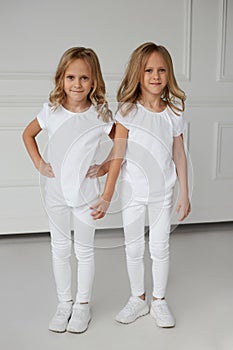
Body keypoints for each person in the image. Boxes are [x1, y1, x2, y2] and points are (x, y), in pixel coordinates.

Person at [22, 47, 124, 334]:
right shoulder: (51, 111)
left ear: (94, 82)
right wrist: (40, 163)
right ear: (61, 78)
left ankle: (82, 305)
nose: (76, 84)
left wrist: (104, 167)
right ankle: (64, 303)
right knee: (60, 249)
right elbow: (27, 134)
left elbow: (122, 142)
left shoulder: (100, 115)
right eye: (70, 77)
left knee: (84, 250)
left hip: (86, 196)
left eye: (83, 78)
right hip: (55, 194)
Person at [110, 42, 190, 328]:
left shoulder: (174, 113)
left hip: (163, 193)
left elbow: (179, 153)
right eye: (148, 70)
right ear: (138, 74)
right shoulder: (128, 111)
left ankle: (159, 301)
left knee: (160, 247)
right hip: (132, 192)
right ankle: (137, 298)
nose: (156, 76)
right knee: (133, 247)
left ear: (169, 74)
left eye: (161, 70)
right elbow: (118, 152)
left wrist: (185, 192)